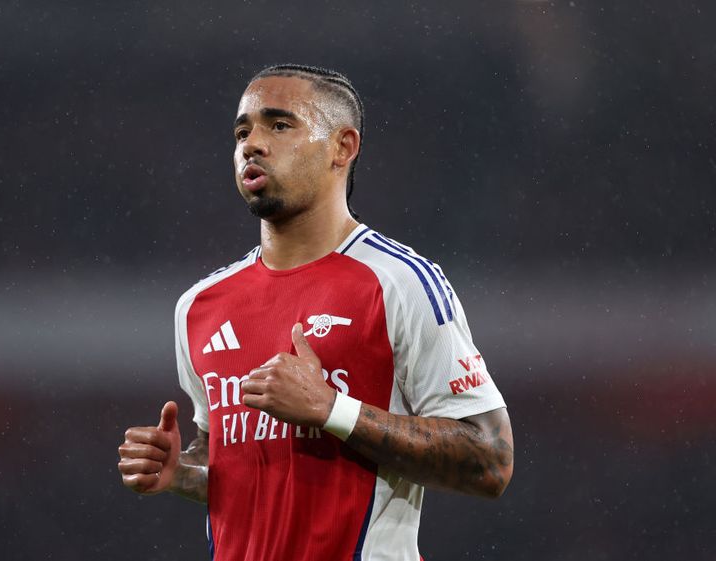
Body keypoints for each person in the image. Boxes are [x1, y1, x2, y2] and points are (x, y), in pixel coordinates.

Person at [118, 64, 514, 560]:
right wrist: (180, 472)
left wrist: (332, 409)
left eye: (279, 125)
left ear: (342, 148)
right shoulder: (200, 305)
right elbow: (234, 465)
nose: (252, 144)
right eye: (242, 132)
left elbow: (490, 460)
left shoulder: (401, 283)